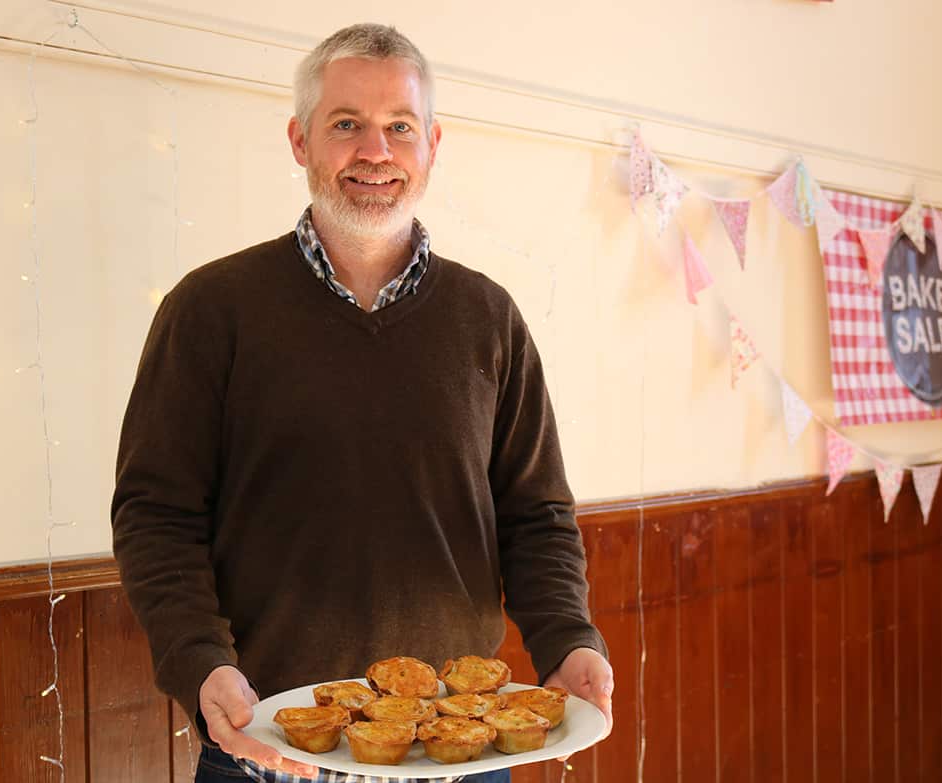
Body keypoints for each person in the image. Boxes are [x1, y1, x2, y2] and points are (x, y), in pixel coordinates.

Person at [111, 23, 613, 783]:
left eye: (399, 128)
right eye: (346, 124)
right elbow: (156, 513)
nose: (375, 151)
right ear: (300, 139)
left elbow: (535, 513)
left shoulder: (490, 317)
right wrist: (199, 662)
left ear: (432, 144)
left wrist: (568, 640)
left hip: (462, 748)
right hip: (269, 742)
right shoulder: (211, 309)